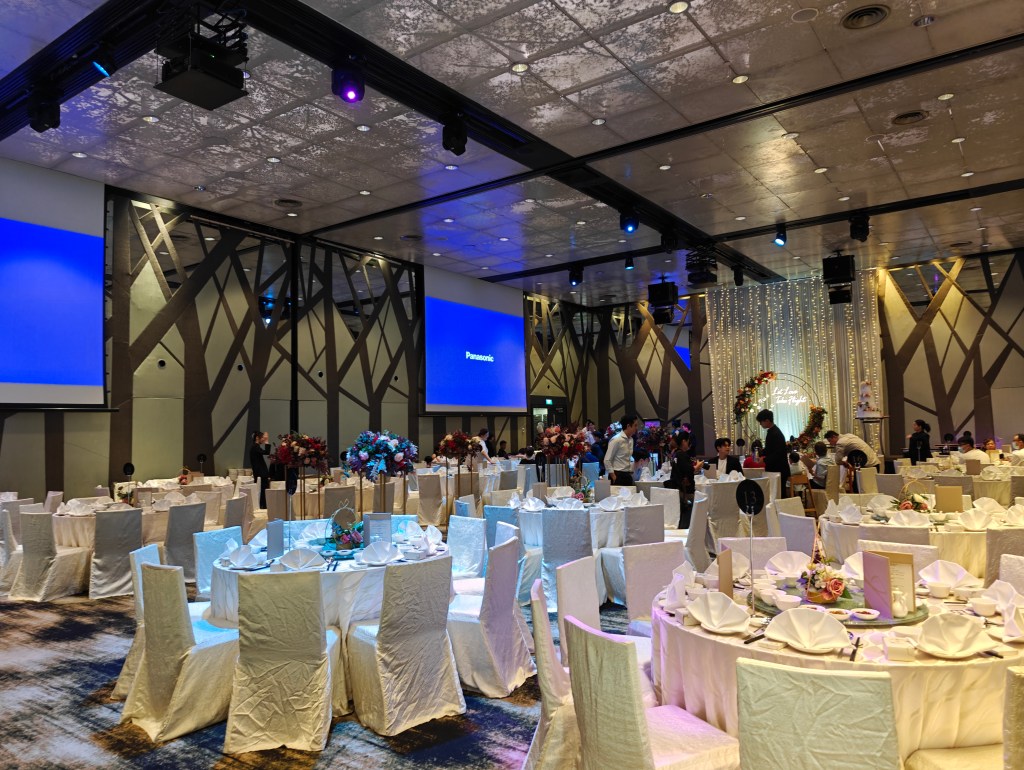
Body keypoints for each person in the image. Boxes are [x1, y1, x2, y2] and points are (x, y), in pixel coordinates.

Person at [663, 430, 695, 528]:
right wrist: (696, 467)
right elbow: (688, 471)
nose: (689, 444)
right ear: (684, 441)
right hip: (685, 491)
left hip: (678, 489)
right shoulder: (682, 455)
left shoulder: (675, 454)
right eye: (688, 441)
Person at [756, 409, 790, 497]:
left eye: (761, 422)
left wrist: (764, 460)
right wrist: (761, 452)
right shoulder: (773, 431)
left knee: (779, 494)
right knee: (776, 494)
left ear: (767, 421)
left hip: (778, 469)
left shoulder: (775, 433)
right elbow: (770, 449)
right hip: (777, 468)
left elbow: (778, 453)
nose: (760, 424)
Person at [605, 413, 638, 485]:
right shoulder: (616, 439)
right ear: (628, 426)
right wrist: (614, 477)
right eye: (635, 425)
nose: (636, 428)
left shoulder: (631, 440)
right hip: (617, 474)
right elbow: (607, 460)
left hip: (627, 474)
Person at [249, 430, 271, 508]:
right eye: (262, 437)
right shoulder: (255, 447)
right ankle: (263, 506)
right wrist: (267, 441)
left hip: (259, 473)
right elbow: (266, 452)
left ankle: (263, 505)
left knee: (262, 490)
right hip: (260, 474)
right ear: (257, 438)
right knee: (263, 491)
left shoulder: (255, 447)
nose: (263, 439)